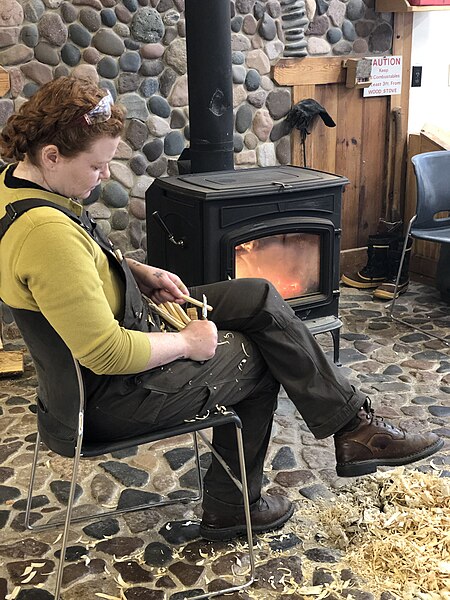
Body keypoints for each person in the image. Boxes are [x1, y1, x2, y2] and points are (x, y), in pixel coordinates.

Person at [0, 77, 443, 542]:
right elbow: (107, 353)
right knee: (261, 358)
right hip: (112, 394)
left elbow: (72, 263)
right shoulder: (46, 234)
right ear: (52, 155)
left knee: (258, 294)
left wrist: (135, 271)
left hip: (106, 352)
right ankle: (236, 505)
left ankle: (353, 427)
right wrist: (187, 343)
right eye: (97, 166)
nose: (106, 176)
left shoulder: (18, 186)